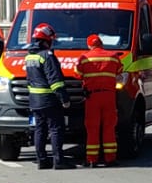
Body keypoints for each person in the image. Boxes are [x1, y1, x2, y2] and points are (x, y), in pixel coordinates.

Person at [23, 22, 71, 170]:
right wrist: (64, 99)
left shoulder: (29, 57)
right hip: (49, 100)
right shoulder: (47, 56)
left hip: (35, 101)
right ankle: (59, 161)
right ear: (46, 40)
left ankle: (42, 160)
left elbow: (29, 80)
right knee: (56, 129)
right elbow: (55, 80)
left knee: (40, 130)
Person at [79, 33, 123, 166]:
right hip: (109, 96)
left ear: (89, 45)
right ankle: (110, 158)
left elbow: (78, 74)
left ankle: (92, 160)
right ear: (101, 43)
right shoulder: (113, 56)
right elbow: (119, 71)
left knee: (92, 128)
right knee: (109, 126)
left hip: (92, 97)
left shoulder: (84, 58)